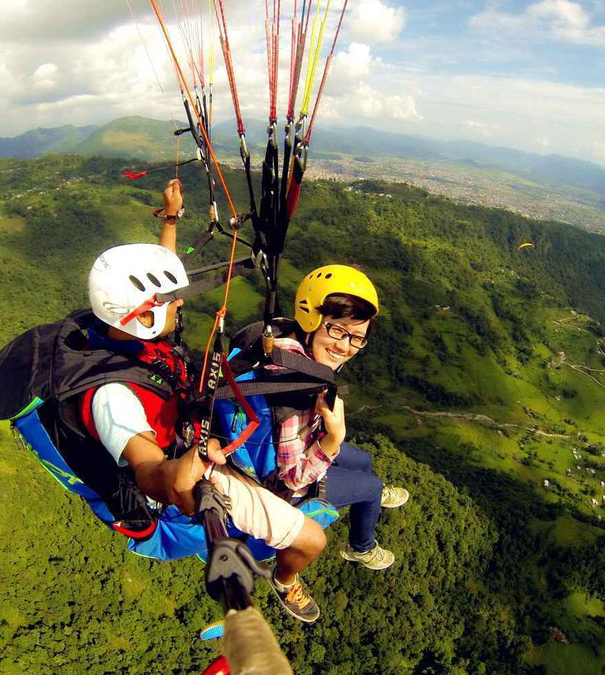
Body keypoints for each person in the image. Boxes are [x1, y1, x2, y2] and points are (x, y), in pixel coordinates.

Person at [82, 180, 327, 622]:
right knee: (312, 540)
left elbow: (158, 291)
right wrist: (188, 467)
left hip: (189, 432)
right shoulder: (112, 397)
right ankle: (284, 580)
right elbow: (150, 473)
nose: (177, 307)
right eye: (170, 303)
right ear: (149, 314)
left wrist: (171, 219)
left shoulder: (131, 337)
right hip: (180, 472)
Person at [271, 265, 410, 570]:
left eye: (357, 338)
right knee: (371, 487)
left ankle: (369, 495)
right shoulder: (292, 390)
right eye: (336, 330)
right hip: (281, 486)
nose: (345, 347)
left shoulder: (282, 341)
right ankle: (360, 548)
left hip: (305, 438)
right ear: (311, 319)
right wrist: (334, 440)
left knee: (362, 462)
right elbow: (292, 480)